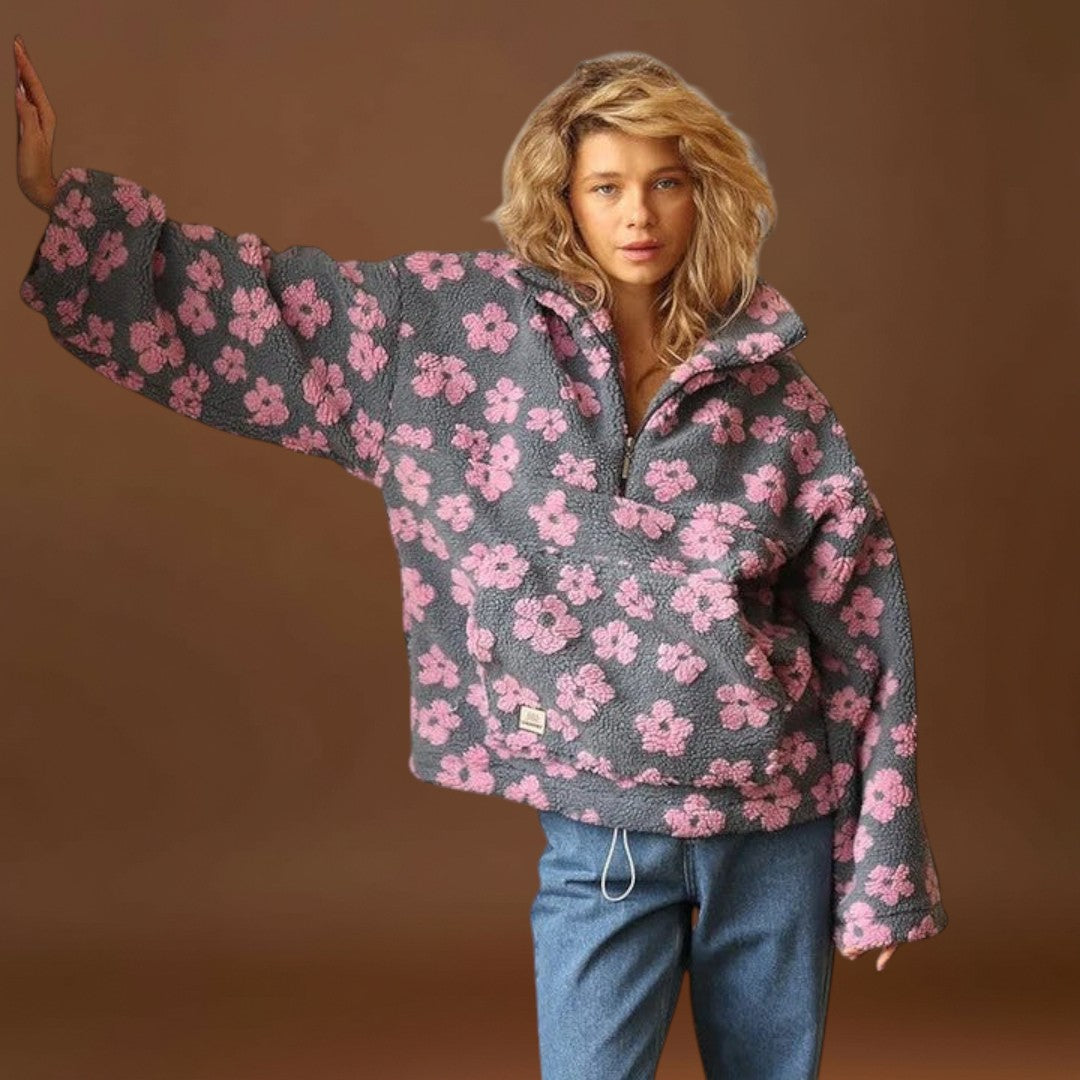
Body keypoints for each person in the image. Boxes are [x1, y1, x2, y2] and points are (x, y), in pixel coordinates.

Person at [15, 39, 948, 1080]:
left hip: (777, 826)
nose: (637, 215)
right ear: (564, 197)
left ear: (705, 196)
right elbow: (265, 307)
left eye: (666, 183)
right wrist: (69, 209)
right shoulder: (451, 334)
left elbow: (866, 630)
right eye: (607, 186)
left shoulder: (775, 394)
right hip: (602, 831)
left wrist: (882, 866)